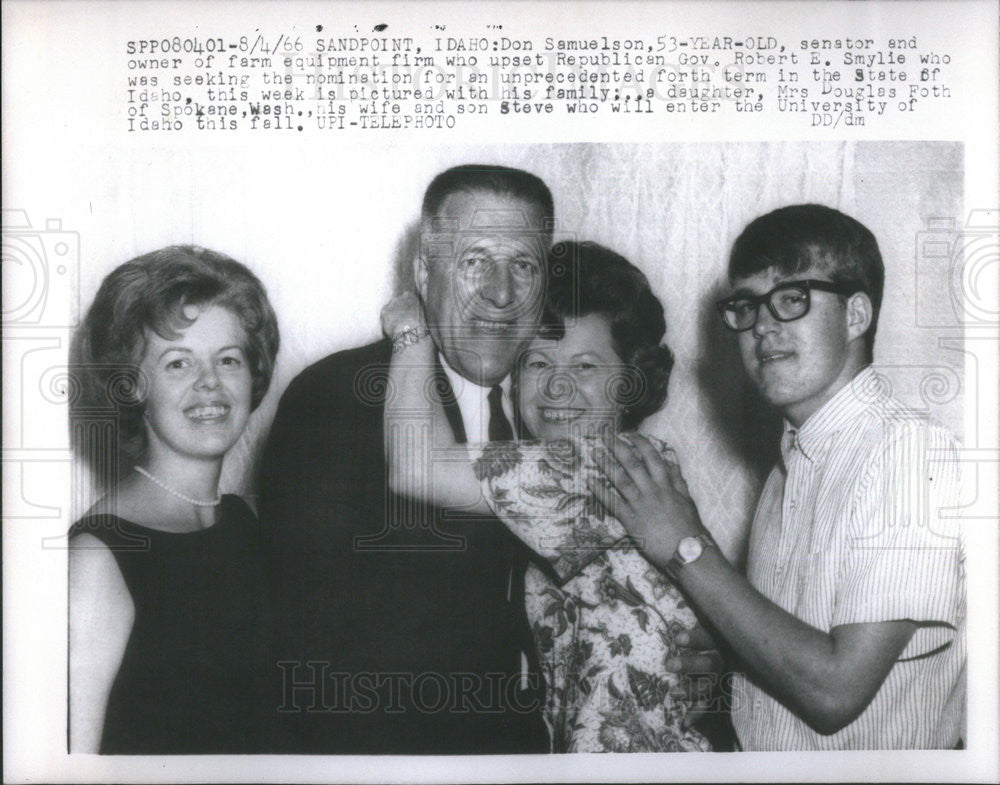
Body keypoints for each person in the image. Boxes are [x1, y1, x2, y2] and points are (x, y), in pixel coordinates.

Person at [593, 204, 966, 750]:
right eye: (745, 306)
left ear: (856, 316)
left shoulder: (911, 454)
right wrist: (726, 658)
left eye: (791, 299)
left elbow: (834, 692)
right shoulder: (794, 456)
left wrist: (686, 547)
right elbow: (797, 647)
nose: (762, 326)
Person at [259, 165, 555, 753]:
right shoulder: (337, 396)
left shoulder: (549, 402)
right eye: (475, 261)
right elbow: (306, 645)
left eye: (523, 265)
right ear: (424, 272)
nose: (502, 293)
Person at [381, 241, 713, 753]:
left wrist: (411, 330)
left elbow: (414, 465)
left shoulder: (601, 466)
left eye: (585, 367)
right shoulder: (619, 467)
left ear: (631, 380)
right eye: (537, 363)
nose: (557, 389)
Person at [68, 246, 280, 753]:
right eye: (177, 363)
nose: (210, 383)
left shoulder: (243, 521)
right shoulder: (99, 556)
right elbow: (69, 766)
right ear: (132, 388)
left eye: (228, 359)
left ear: (253, 375)